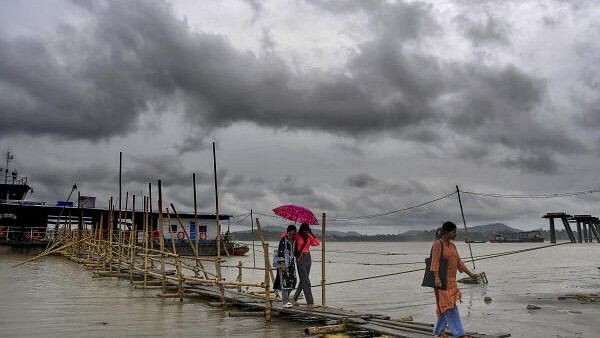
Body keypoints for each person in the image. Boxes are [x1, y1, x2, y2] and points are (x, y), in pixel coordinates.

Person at [430, 221, 478, 338]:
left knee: (444, 306)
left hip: (452, 282)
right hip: (441, 281)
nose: (455, 234)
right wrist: (436, 278)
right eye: (453, 232)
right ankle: (459, 334)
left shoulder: (452, 246)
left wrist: (470, 274)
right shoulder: (438, 244)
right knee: (450, 307)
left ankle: (438, 332)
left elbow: (459, 263)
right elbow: (434, 262)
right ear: (446, 232)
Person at [292, 222, 320, 307]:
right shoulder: (297, 235)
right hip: (300, 258)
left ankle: (294, 299)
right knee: (306, 281)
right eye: (304, 230)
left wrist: (311, 234)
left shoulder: (308, 237)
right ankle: (310, 303)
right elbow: (288, 237)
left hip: (308, 258)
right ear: (301, 230)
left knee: (303, 280)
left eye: (307, 230)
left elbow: (316, 243)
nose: (305, 232)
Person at [273, 225, 297, 308]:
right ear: (288, 232)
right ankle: (285, 302)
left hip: (291, 265)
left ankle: (285, 298)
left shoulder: (294, 241)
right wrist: (282, 263)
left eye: (294, 232)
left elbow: (295, 253)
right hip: (283, 264)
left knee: (293, 281)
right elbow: (280, 252)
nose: (292, 234)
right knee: (284, 282)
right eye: (291, 232)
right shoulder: (284, 240)